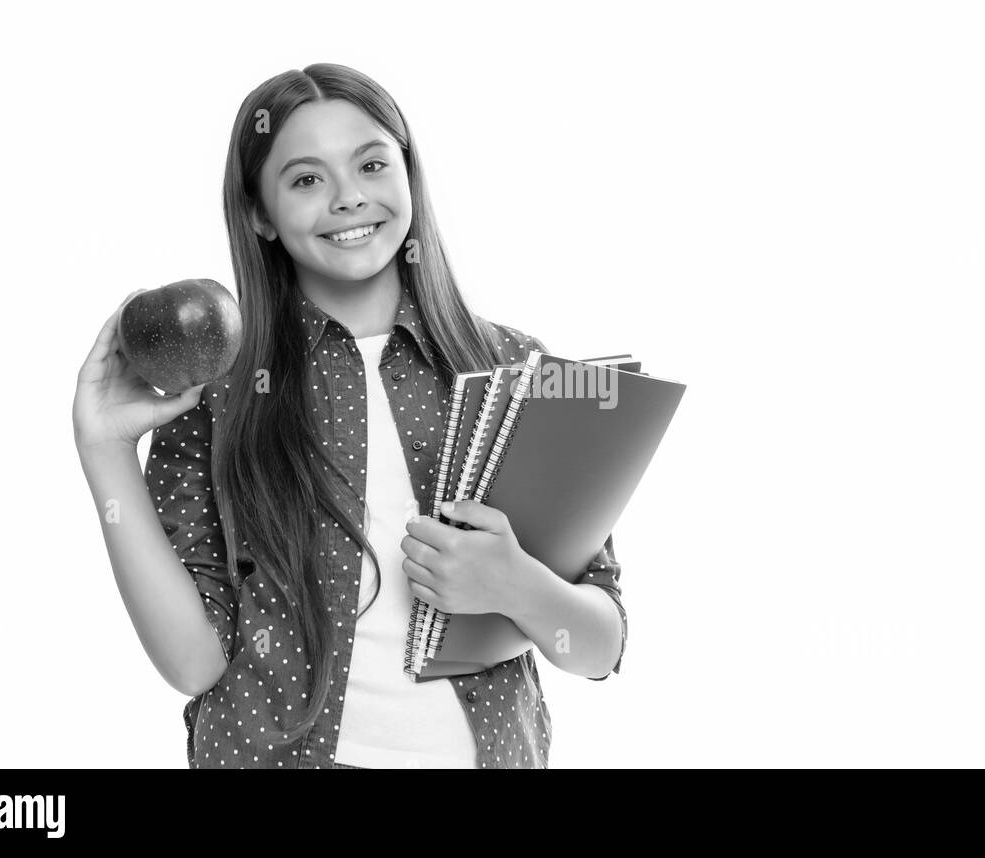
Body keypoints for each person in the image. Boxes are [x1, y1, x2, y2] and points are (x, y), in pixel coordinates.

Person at [72, 63, 625, 769]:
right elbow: (192, 663)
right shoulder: (219, 393)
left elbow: (599, 645)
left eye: (371, 164)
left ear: (408, 174)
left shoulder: (518, 373)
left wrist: (515, 584)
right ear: (259, 214)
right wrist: (106, 451)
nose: (348, 198)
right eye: (306, 179)